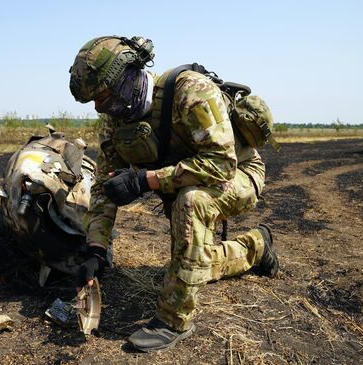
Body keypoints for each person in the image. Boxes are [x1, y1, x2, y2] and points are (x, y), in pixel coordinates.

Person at [69, 36, 279, 352]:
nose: (99, 107)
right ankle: (256, 247)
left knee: (191, 201)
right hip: (187, 181)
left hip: (238, 176)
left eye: (102, 96)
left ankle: (174, 320)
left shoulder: (190, 92)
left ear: (126, 77)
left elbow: (221, 163)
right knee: (194, 267)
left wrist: (145, 180)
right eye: (93, 101)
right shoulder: (117, 122)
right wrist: (96, 247)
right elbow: (103, 187)